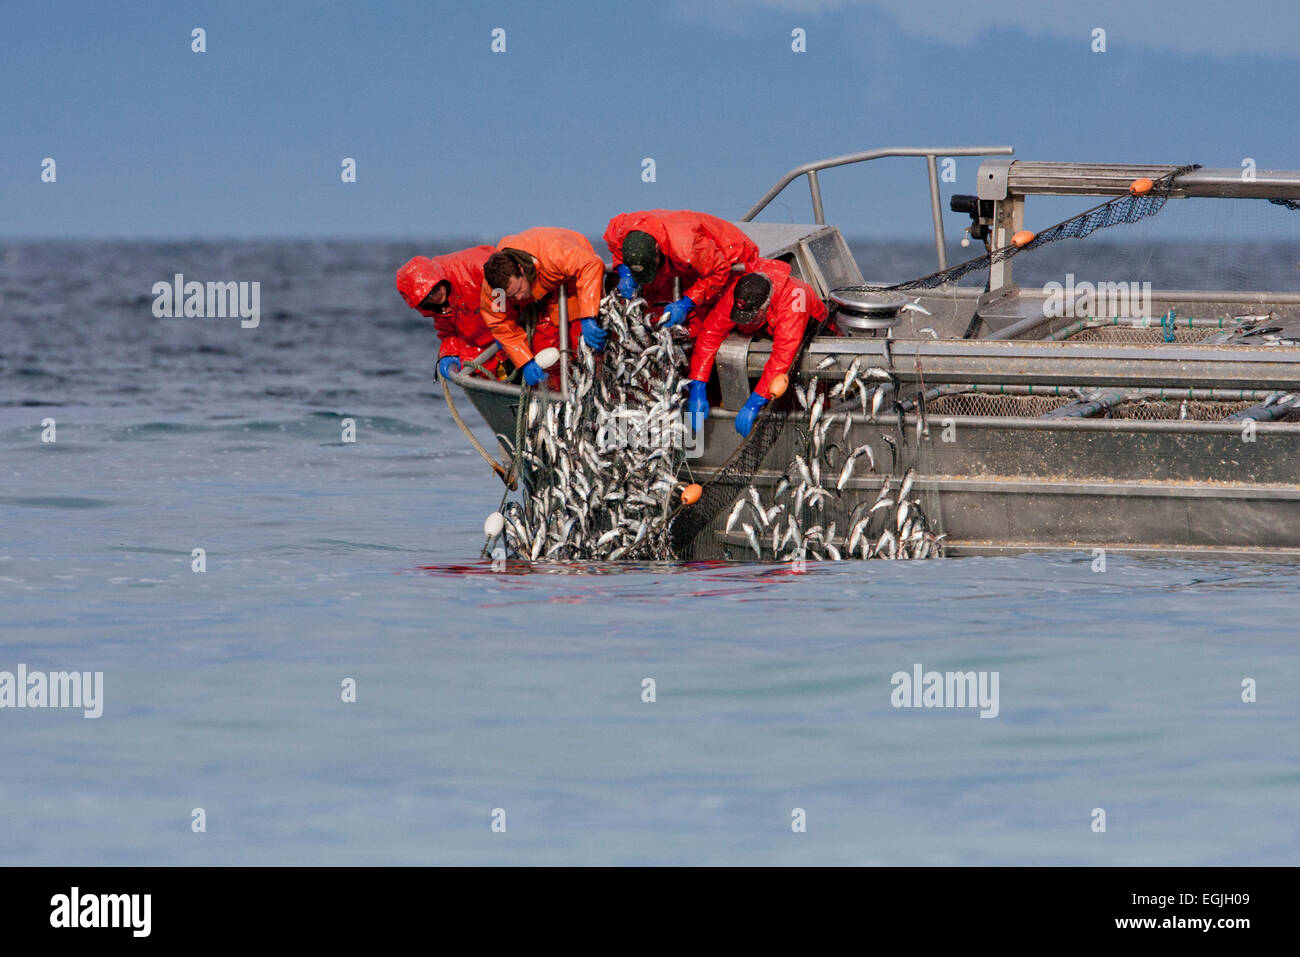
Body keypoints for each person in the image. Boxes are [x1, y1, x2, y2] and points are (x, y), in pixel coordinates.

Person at [686, 258, 829, 436]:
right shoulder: (741, 291)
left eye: (752, 315)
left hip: (813, 332)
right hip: (767, 330)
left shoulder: (793, 299)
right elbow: (710, 333)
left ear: (765, 306)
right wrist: (697, 385)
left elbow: (783, 355)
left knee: (809, 394)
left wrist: (755, 401)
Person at [480, 228, 606, 387]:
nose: (518, 298)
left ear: (521, 269)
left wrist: (588, 317)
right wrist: (525, 362)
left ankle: (598, 388)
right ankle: (557, 396)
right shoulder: (494, 290)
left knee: (583, 345)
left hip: (573, 277)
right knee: (543, 350)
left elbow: (591, 264)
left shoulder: (554, 254)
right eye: (511, 296)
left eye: (518, 290)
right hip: (540, 295)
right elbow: (500, 324)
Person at [603, 209, 759, 328]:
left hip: (730, 256)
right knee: (656, 308)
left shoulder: (687, 247)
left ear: (657, 249)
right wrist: (625, 272)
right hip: (687, 260)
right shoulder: (620, 230)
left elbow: (718, 271)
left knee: (707, 320)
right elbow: (614, 244)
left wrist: (687, 303)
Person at [395, 246, 502, 379]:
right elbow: (449, 334)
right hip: (489, 344)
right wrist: (448, 355)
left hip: (515, 326)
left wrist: (504, 327)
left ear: (439, 279)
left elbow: (507, 288)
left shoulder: (478, 267)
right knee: (472, 362)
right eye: (428, 298)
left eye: (435, 289)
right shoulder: (437, 306)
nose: (435, 297)